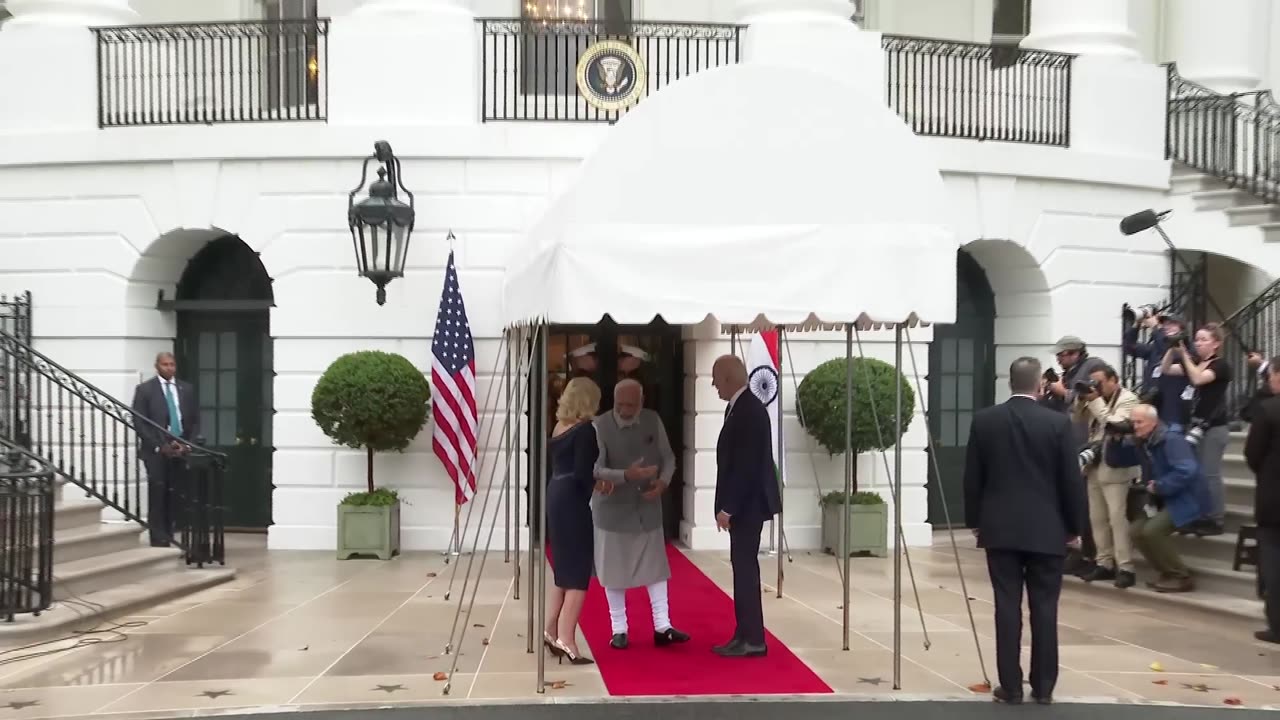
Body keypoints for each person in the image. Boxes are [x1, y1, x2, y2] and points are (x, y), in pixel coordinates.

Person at [964, 357, 1086, 705]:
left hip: (1000, 528)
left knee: (1006, 606)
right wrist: (1074, 526)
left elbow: (973, 477)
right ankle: (1044, 685)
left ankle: (1011, 685)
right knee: (1045, 607)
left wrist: (976, 521)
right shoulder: (1058, 424)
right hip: (1047, 528)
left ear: (1009, 383)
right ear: (1040, 386)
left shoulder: (985, 421)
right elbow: (1070, 480)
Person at [592, 379, 690, 649]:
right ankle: (619, 629)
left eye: (630, 405)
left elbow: (668, 458)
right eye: (619, 404)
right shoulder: (599, 426)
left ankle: (663, 625)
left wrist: (663, 482)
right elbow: (595, 469)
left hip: (647, 508)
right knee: (614, 570)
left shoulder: (652, 420)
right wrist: (626, 475)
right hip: (611, 511)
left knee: (656, 568)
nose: (624, 409)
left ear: (642, 402)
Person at [710, 354, 781, 658]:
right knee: (742, 569)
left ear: (728, 378)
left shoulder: (749, 410)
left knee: (745, 571)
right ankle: (745, 633)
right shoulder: (738, 407)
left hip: (748, 506)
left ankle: (753, 638)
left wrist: (729, 507)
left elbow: (746, 467)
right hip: (745, 504)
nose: (714, 385)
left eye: (716, 379)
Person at [544, 376, 601, 666]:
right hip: (572, 500)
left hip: (555, 492)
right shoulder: (585, 430)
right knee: (578, 571)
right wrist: (599, 483)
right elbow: (582, 473)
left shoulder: (559, 426)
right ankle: (567, 638)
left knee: (562, 568)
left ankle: (551, 628)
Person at [1041, 336, 1107, 577]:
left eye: (1063, 354)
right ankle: (1071, 550)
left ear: (1076, 353)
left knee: (1085, 504)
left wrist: (1064, 391)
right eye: (1058, 355)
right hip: (1068, 442)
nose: (1059, 359)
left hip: (1086, 443)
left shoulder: (1093, 366)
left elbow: (1089, 398)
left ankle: (1089, 554)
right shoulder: (1069, 372)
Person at [1073, 365, 1141, 588]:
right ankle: (1104, 562)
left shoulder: (1128, 399)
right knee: (1097, 518)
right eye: (1093, 383)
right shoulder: (1097, 398)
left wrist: (1095, 401)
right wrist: (1082, 400)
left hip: (1116, 467)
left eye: (1100, 382)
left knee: (1117, 519)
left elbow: (1113, 424)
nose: (1096, 387)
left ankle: (1126, 566)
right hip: (1094, 466)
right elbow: (1078, 419)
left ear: (1114, 380)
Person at [1161, 322, 1232, 535]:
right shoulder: (1194, 362)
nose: (1198, 343)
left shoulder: (1220, 366)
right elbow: (1165, 370)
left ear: (1216, 344)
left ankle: (1215, 518)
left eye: (1204, 340)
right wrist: (1172, 349)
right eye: (1197, 339)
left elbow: (1198, 379)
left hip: (1213, 427)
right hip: (1194, 426)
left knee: (1210, 474)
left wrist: (1183, 354)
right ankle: (1200, 515)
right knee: (1195, 474)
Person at [1128, 404, 1207, 593]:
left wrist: (1161, 486)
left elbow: (1187, 470)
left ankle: (1181, 576)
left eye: (1140, 422)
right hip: (1162, 498)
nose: (1135, 426)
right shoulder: (1144, 441)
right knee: (1135, 531)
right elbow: (1117, 460)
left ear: (1153, 422)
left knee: (1152, 531)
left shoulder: (1171, 439)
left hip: (1187, 497)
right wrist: (1114, 440)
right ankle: (1166, 572)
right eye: (1133, 422)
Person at [130, 352, 201, 548]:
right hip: (156, 450)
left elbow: (195, 420)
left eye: (172, 364)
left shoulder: (186, 389)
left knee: (175, 493)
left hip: (180, 448)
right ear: (157, 366)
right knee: (158, 492)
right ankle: (158, 537)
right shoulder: (145, 390)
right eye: (165, 365)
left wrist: (188, 444)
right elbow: (140, 421)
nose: (169, 368)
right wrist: (159, 445)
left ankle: (171, 532)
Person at [1244, 359, 1280, 642]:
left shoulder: (1268, 410)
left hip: (1273, 499)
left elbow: (1253, 454)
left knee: (1273, 562)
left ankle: (1277, 625)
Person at [1123, 312, 1193, 429]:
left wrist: (1156, 328)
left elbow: (1169, 350)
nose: (1166, 326)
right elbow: (1130, 347)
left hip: (1173, 411)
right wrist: (1136, 325)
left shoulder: (1187, 349)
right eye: (1164, 324)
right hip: (1153, 407)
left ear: (1182, 328)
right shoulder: (1156, 347)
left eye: (1172, 324)